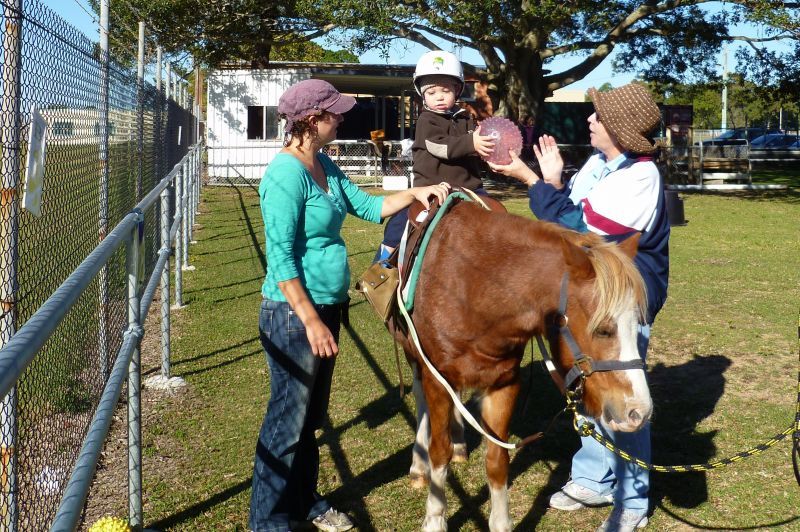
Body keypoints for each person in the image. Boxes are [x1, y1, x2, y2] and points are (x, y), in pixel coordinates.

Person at [250, 78, 450, 532]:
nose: (341, 118)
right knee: (286, 426)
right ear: (309, 120)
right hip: (293, 316)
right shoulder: (285, 174)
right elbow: (280, 259)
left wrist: (415, 194)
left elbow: (367, 206)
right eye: (333, 113)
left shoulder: (322, 163)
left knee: (308, 421)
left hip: (326, 309)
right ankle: (268, 522)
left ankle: (304, 500)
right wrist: (310, 322)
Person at [488, 83, 669, 532]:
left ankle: (632, 496)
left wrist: (531, 181)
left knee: (623, 391)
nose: (589, 120)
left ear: (620, 130)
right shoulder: (600, 164)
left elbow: (581, 231)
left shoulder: (641, 177)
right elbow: (568, 211)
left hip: (622, 302)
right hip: (588, 291)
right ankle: (594, 476)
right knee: (583, 378)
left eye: (598, 117)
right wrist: (552, 182)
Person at [375, 50, 495, 261]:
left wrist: (486, 149)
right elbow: (438, 147)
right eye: (431, 92)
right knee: (399, 225)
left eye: (445, 90)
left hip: (470, 188)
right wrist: (471, 142)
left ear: (457, 91)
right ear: (423, 95)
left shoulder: (465, 117)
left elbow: (472, 149)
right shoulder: (427, 120)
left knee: (497, 220)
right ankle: (381, 268)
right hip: (430, 189)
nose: (439, 96)